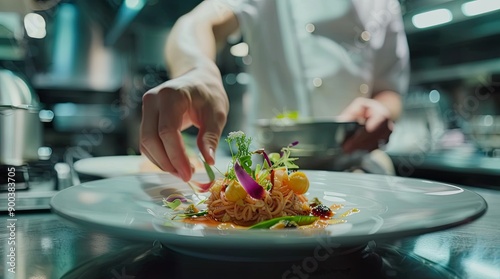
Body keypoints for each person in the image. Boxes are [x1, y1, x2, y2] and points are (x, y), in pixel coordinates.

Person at [140, 0, 410, 182]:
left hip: (357, 169)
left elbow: (390, 90)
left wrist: (382, 109)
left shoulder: (383, 5)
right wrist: (197, 71)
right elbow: (196, 23)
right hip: (266, 172)